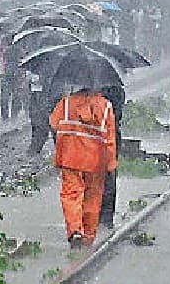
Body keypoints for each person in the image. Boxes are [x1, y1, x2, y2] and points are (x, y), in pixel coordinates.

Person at [49, 88, 118, 249]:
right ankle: (88, 236)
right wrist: (110, 164)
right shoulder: (105, 106)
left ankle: (74, 231)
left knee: (71, 194)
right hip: (95, 161)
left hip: (70, 157)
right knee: (93, 197)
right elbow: (110, 138)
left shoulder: (65, 103)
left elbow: (53, 123)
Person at [98, 85, 126, 229]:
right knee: (109, 178)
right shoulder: (118, 90)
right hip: (111, 138)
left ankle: (96, 217)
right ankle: (106, 218)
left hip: (93, 139)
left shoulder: (88, 95)